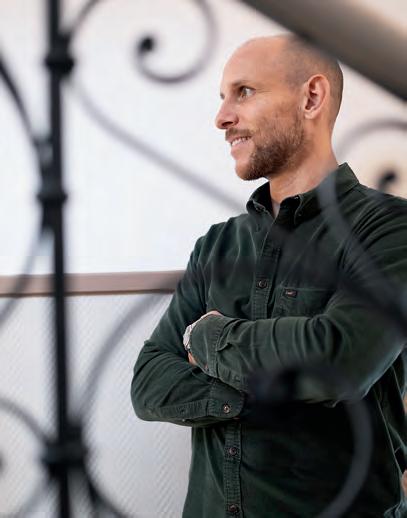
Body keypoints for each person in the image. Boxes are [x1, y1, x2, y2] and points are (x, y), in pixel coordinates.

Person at [131, 35, 406, 517]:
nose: (222, 118)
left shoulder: (389, 227)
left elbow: (340, 361)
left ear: (311, 97)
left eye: (245, 92)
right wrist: (278, 390)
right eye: (223, 97)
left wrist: (207, 338)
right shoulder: (217, 245)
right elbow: (151, 383)